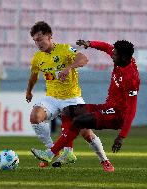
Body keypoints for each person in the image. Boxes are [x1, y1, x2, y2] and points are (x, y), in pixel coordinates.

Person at [31, 39, 140, 172]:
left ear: (123, 57)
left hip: (117, 116)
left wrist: (122, 136)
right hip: (108, 107)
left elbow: (132, 109)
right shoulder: (122, 57)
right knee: (67, 111)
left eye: (115, 55)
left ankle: (50, 154)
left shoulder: (131, 78)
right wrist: (90, 44)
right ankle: (68, 154)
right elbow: (106, 47)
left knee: (80, 122)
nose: (112, 56)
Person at [26, 21, 113, 171]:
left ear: (49, 36)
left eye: (40, 39)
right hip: (52, 98)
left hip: (72, 98)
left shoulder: (65, 49)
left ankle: (104, 160)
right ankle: (53, 150)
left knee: (86, 133)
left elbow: (84, 59)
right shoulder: (37, 58)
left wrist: (69, 67)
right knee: (35, 117)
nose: (38, 43)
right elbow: (33, 77)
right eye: (35, 40)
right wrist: (29, 91)